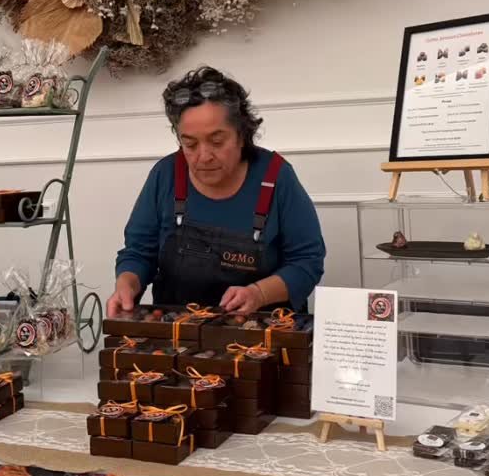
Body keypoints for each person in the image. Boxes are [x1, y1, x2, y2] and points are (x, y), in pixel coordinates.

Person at [107, 66, 325, 317]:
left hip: (263, 330)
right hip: (177, 330)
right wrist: (127, 284)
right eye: (190, 144)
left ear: (241, 135)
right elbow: (138, 252)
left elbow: (307, 262)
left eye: (217, 141)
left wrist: (259, 293)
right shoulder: (165, 174)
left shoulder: (276, 177)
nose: (204, 156)